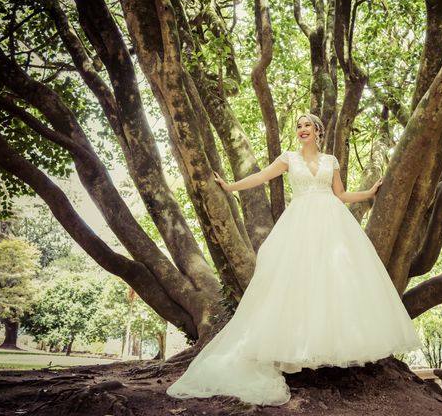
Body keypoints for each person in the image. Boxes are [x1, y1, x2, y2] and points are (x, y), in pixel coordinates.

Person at [166, 113, 420, 406]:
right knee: (295, 281)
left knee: (334, 280)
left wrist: (369, 193)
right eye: (298, 126)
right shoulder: (289, 158)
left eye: (307, 125)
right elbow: (261, 176)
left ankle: (327, 348)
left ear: (318, 130)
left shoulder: (331, 161)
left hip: (332, 225)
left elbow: (340, 195)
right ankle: (293, 348)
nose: (302, 129)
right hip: (298, 225)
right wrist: (230, 187)